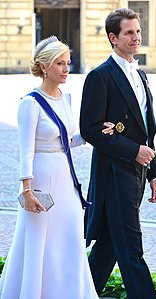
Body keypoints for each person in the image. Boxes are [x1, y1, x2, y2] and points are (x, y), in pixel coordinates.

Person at [0, 36, 108, 299]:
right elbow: (25, 150)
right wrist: (27, 192)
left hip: (66, 180)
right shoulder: (30, 102)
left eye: (68, 63)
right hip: (39, 182)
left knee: (68, 238)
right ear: (44, 66)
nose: (66, 69)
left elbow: (67, 141)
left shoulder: (67, 98)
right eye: (59, 63)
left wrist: (93, 134)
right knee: (39, 242)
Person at [80, 8, 156, 299]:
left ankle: (79, 292)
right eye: (129, 32)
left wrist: (154, 173)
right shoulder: (100, 77)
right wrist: (133, 151)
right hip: (114, 173)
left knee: (111, 245)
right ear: (113, 38)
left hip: (138, 172)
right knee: (130, 246)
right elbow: (89, 128)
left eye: (138, 31)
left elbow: (146, 130)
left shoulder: (140, 74)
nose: (136, 37)